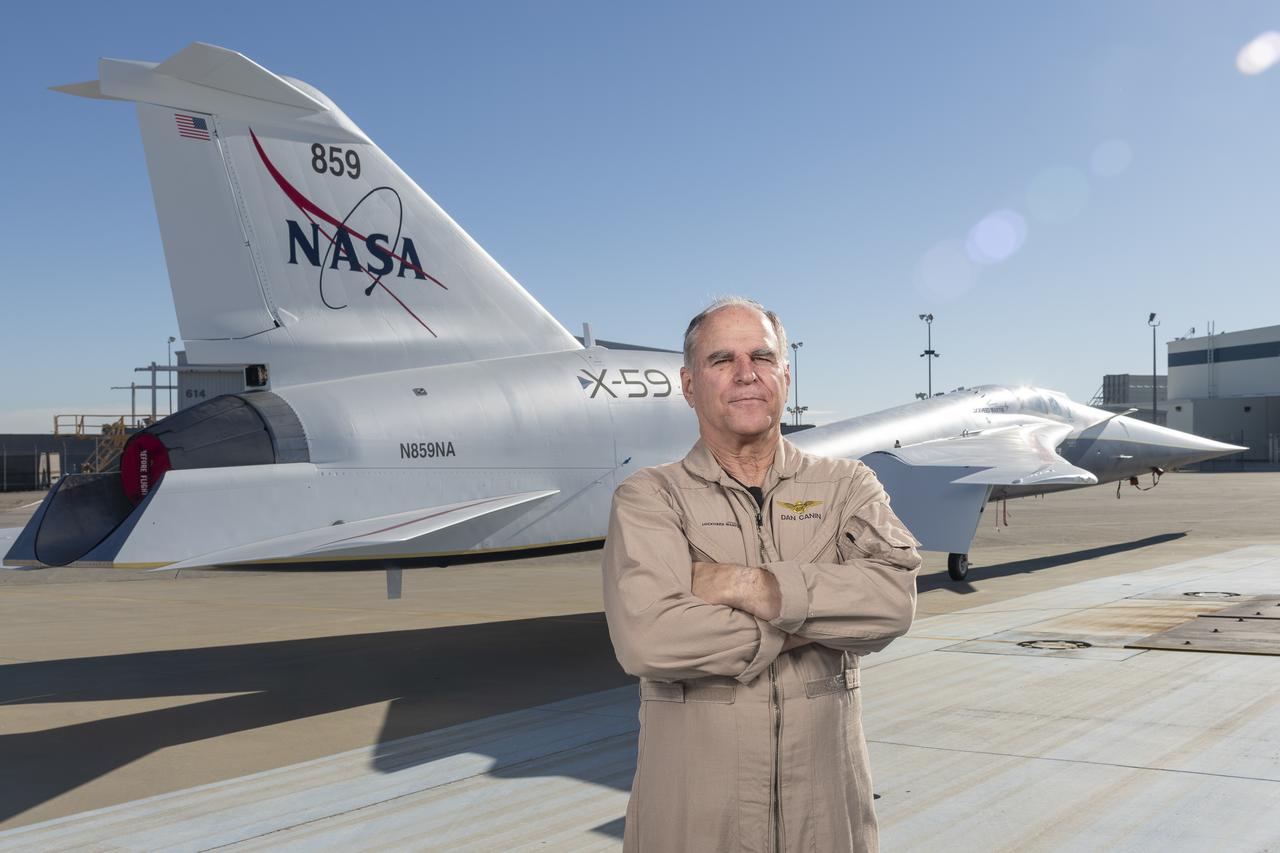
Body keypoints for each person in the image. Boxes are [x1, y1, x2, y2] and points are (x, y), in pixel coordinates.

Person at [602, 297, 921, 852]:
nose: (746, 374)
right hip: (695, 826)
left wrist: (752, 586)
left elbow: (893, 603)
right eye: (722, 359)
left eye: (762, 357)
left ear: (786, 376)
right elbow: (649, 639)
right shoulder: (651, 497)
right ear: (688, 383)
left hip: (826, 824)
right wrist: (816, 618)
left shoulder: (848, 485)